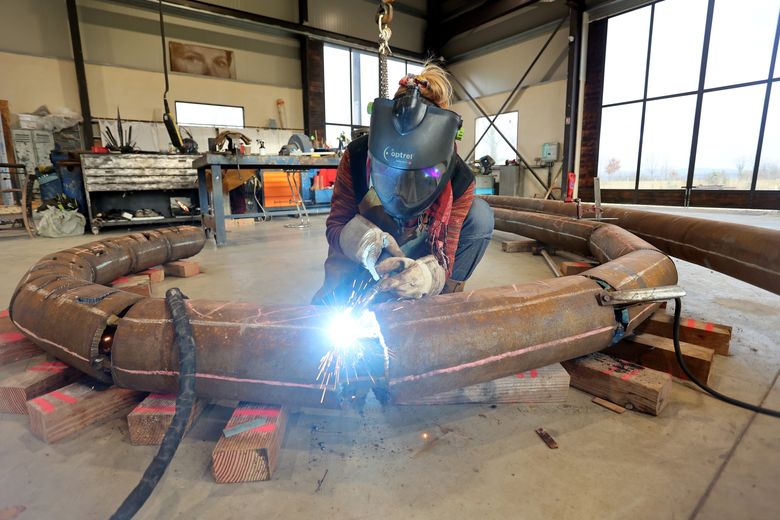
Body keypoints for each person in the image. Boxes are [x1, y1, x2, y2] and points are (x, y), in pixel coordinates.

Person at [312, 62, 494, 305]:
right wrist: (367, 246)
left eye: (423, 174)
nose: (403, 190)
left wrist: (428, 275)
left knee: (480, 215)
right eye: (388, 171)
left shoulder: (459, 179)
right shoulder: (357, 155)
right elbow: (336, 226)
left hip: (422, 251)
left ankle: (445, 299)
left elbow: (446, 255)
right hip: (362, 252)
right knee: (331, 311)